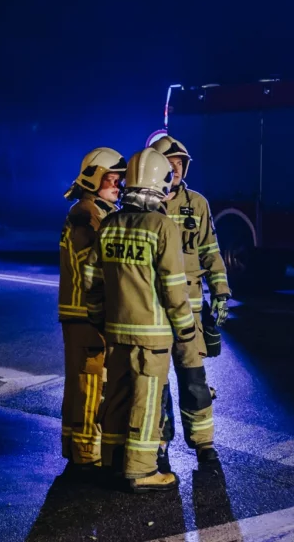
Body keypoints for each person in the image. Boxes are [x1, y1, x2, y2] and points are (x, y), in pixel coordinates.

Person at [83, 147, 195, 493]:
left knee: (116, 395)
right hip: (153, 335)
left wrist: (100, 319)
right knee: (147, 402)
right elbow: (173, 286)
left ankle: (113, 459)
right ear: (158, 185)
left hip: (116, 332)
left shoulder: (111, 224)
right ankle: (142, 469)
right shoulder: (162, 226)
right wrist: (186, 327)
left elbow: (91, 278)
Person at [150, 135, 230, 469]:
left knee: (194, 379)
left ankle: (204, 444)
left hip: (190, 311)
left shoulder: (197, 204)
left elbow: (210, 250)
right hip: (154, 311)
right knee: (159, 384)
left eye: (180, 163)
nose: (176, 168)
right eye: (169, 163)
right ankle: (159, 444)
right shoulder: (145, 206)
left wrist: (221, 291)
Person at [58, 147, 127, 473]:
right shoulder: (88, 214)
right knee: (90, 384)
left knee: (81, 382)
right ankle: (86, 452)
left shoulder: (91, 210)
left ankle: (76, 446)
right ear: (94, 179)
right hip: (86, 314)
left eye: (120, 180)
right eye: (112, 179)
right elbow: (97, 268)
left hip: (80, 313)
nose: (118, 186)